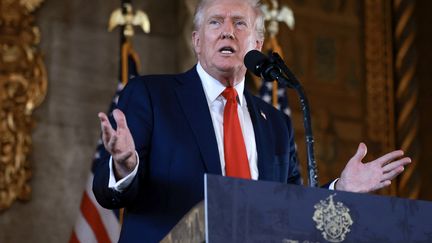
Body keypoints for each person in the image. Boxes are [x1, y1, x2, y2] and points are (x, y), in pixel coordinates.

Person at [93, 0, 411, 242]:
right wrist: (124, 165)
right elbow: (109, 196)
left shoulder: (275, 124)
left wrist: (340, 189)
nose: (228, 31)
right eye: (215, 22)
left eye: (240, 23)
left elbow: (292, 211)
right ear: (197, 41)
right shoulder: (152, 95)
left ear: (256, 46)